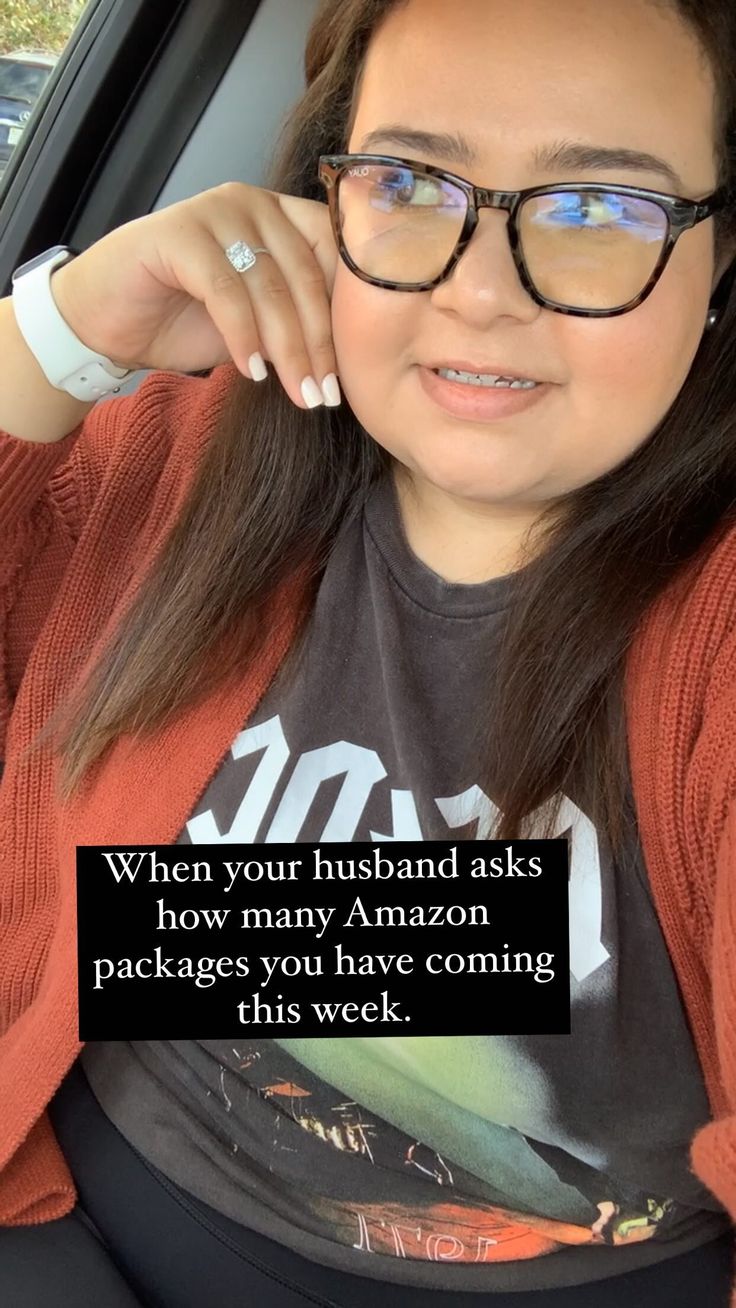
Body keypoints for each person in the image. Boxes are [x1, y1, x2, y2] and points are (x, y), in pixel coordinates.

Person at [0, 0, 735, 1303]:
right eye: (407, 182)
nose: (479, 290)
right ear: (318, 203)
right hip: (73, 1191)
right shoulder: (190, 451)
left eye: (594, 208)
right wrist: (65, 332)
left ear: (718, 254)